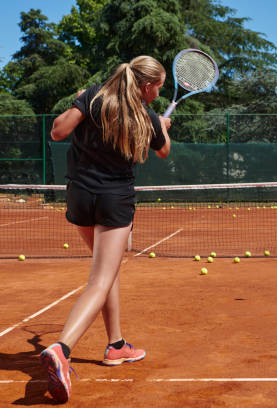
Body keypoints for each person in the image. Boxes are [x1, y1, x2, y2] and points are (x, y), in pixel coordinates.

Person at [40, 55, 171, 403]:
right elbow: (162, 152)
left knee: (105, 272)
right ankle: (62, 350)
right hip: (114, 200)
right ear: (147, 86)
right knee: (100, 279)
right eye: (159, 85)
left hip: (79, 196)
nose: (160, 90)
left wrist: (79, 101)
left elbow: (58, 131)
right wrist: (161, 125)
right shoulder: (147, 115)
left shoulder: (93, 96)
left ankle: (116, 345)